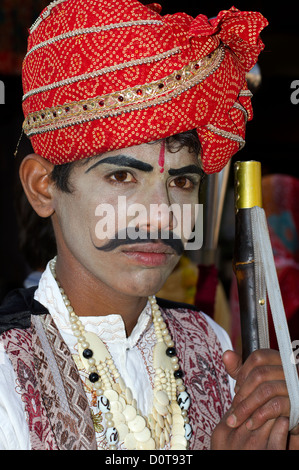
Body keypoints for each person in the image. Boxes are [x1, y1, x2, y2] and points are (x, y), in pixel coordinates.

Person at [0, 0, 297, 451]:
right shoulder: (8, 369)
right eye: (122, 176)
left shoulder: (209, 343)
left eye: (181, 180)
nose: (160, 214)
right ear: (43, 187)